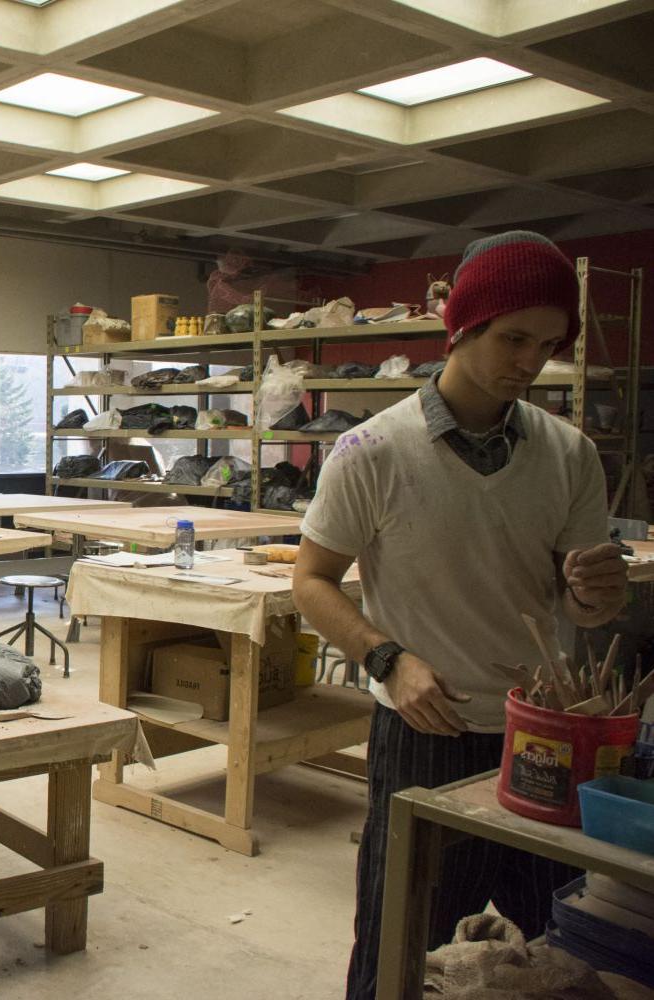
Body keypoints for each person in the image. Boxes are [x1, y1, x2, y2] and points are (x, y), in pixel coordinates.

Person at [291, 231, 629, 1000]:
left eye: (546, 345)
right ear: (463, 327)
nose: (528, 362)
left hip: (542, 737)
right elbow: (311, 581)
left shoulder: (569, 453)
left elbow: (576, 596)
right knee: (397, 947)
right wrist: (387, 659)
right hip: (425, 728)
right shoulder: (371, 450)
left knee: (563, 952)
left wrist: (597, 594)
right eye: (512, 338)